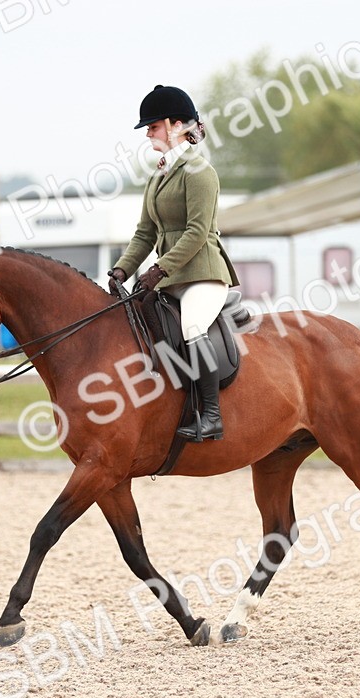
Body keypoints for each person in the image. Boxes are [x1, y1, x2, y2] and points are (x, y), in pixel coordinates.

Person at [109, 84, 239, 441]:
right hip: (168, 277)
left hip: (203, 276)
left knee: (192, 327)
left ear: (177, 124)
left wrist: (159, 268)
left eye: (153, 127)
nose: (148, 134)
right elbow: (144, 233)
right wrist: (122, 268)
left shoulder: (201, 173)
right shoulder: (159, 175)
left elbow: (197, 232)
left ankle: (211, 415)